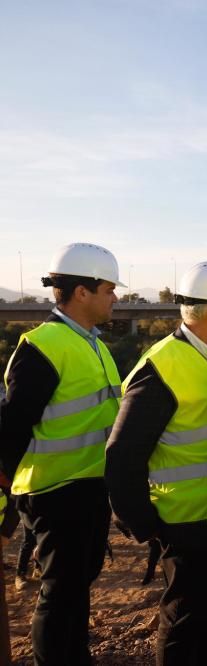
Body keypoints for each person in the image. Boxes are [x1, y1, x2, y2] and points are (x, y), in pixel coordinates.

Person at [105, 261, 207, 666]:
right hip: (183, 527)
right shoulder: (160, 368)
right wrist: (146, 525)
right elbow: (122, 455)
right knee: (184, 624)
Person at [0, 242, 124, 665]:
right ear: (82, 292)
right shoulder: (42, 347)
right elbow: (11, 429)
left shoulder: (94, 345)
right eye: (109, 289)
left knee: (75, 589)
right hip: (55, 492)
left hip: (89, 488)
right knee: (59, 593)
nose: (115, 297)